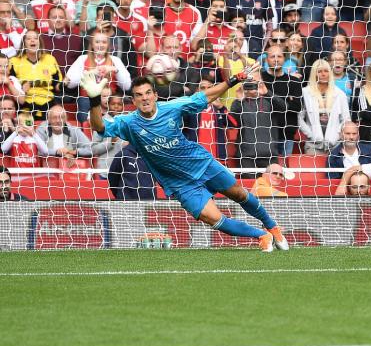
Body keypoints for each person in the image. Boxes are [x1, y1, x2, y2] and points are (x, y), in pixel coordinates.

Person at [85, 66, 289, 253]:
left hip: (201, 163)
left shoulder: (172, 107)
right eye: (139, 95)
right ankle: (262, 235)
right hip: (179, 183)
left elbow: (204, 97)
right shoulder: (128, 123)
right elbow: (99, 127)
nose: (144, 98)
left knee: (239, 194)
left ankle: (272, 226)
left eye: (148, 93)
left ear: (155, 95)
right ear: (134, 101)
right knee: (213, 218)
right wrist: (94, 99)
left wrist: (234, 79)